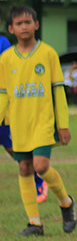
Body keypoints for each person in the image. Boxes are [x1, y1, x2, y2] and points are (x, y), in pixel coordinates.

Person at [0, 5, 77, 236]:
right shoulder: (6, 59)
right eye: (19, 23)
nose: (24, 27)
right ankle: (35, 223)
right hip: (19, 123)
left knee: (40, 166)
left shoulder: (48, 54)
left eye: (28, 22)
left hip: (44, 121)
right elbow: (3, 94)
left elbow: (58, 91)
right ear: (11, 28)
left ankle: (66, 202)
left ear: (36, 25)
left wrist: (63, 124)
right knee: (24, 167)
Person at [0, 25, 48, 205]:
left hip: (3, 108)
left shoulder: (2, 43)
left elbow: (8, 72)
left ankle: (38, 180)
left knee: (14, 149)